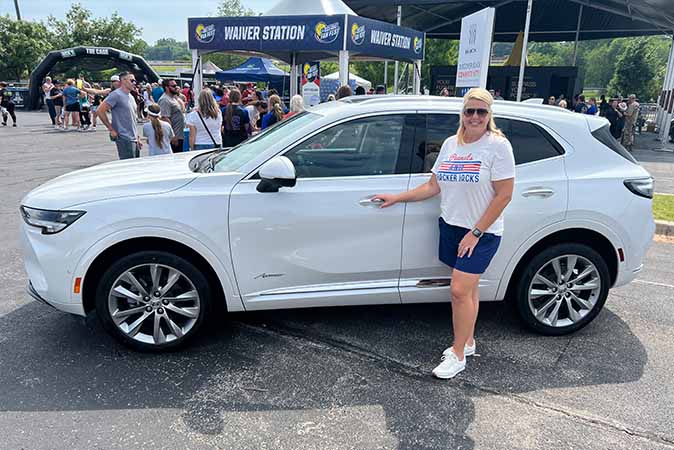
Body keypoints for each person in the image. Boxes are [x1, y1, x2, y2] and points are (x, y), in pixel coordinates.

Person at [373, 87, 515, 379]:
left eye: (481, 112)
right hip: (451, 226)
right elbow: (432, 186)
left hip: (480, 233)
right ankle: (469, 341)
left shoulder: (498, 146)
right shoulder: (451, 144)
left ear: (489, 115)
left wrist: (476, 232)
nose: (474, 116)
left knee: (458, 291)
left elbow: (504, 195)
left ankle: (458, 354)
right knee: (469, 290)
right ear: (462, 114)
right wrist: (397, 197)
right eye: (469, 111)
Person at [97, 72, 143, 160]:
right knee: (128, 166)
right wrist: (111, 129)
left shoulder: (131, 97)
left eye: (135, 81)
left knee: (135, 166)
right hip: (124, 137)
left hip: (134, 139)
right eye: (132, 80)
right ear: (124, 81)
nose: (134, 83)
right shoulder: (116, 95)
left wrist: (137, 137)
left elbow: (132, 119)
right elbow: (100, 111)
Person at [158, 79, 186, 153]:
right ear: (167, 88)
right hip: (173, 138)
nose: (176, 87)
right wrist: (173, 136)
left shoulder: (173, 98)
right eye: (173, 86)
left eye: (176, 85)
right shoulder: (164, 100)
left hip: (179, 135)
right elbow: (165, 118)